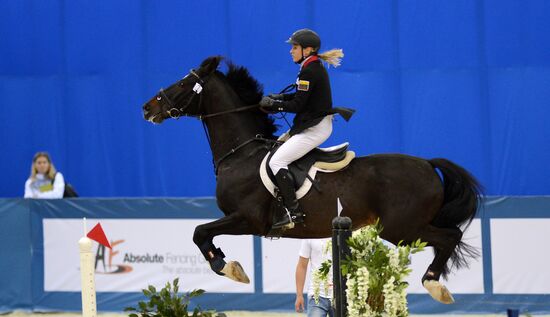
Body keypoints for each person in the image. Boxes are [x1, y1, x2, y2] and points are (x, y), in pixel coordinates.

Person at [260, 28, 345, 229]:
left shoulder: (310, 70)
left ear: (307, 50)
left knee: (277, 161)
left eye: (295, 47)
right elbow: (301, 98)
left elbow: (298, 105)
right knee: (277, 149)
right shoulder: (310, 67)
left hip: (315, 128)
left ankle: (293, 212)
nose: (291, 51)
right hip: (312, 124)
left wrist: (275, 105)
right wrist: (279, 98)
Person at [295, 238, 334, 317]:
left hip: (340, 294)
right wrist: (299, 295)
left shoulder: (343, 229)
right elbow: (302, 265)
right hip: (316, 295)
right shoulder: (310, 234)